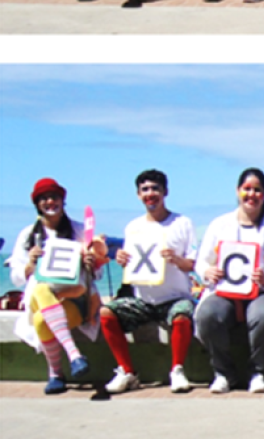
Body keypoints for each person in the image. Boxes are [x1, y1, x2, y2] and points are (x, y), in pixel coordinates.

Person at [194, 168, 264, 394]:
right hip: (224, 292)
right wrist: (208, 272)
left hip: (261, 292)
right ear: (237, 191)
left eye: (257, 190)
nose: (252, 194)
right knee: (207, 315)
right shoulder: (219, 225)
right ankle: (223, 372)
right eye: (247, 189)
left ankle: (257, 371)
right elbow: (201, 262)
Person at [99, 169, 197, 394]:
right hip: (142, 300)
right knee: (107, 313)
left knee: (182, 315)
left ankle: (177, 370)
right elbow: (132, 264)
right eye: (145, 190)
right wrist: (121, 259)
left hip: (175, 298)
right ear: (138, 195)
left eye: (155, 189)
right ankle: (126, 372)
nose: (150, 194)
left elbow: (193, 264)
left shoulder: (182, 223)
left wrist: (176, 259)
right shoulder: (133, 227)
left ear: (165, 192)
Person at [9, 178, 104, 394]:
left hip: (73, 299)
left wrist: (91, 263)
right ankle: (75, 355)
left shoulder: (79, 230)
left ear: (63, 200)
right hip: (39, 298)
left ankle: (56, 374)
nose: (50, 202)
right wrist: (31, 263)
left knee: (42, 319)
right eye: (44, 198)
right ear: (37, 204)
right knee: (41, 288)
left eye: (54, 197)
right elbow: (16, 278)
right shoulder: (28, 235)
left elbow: (96, 274)